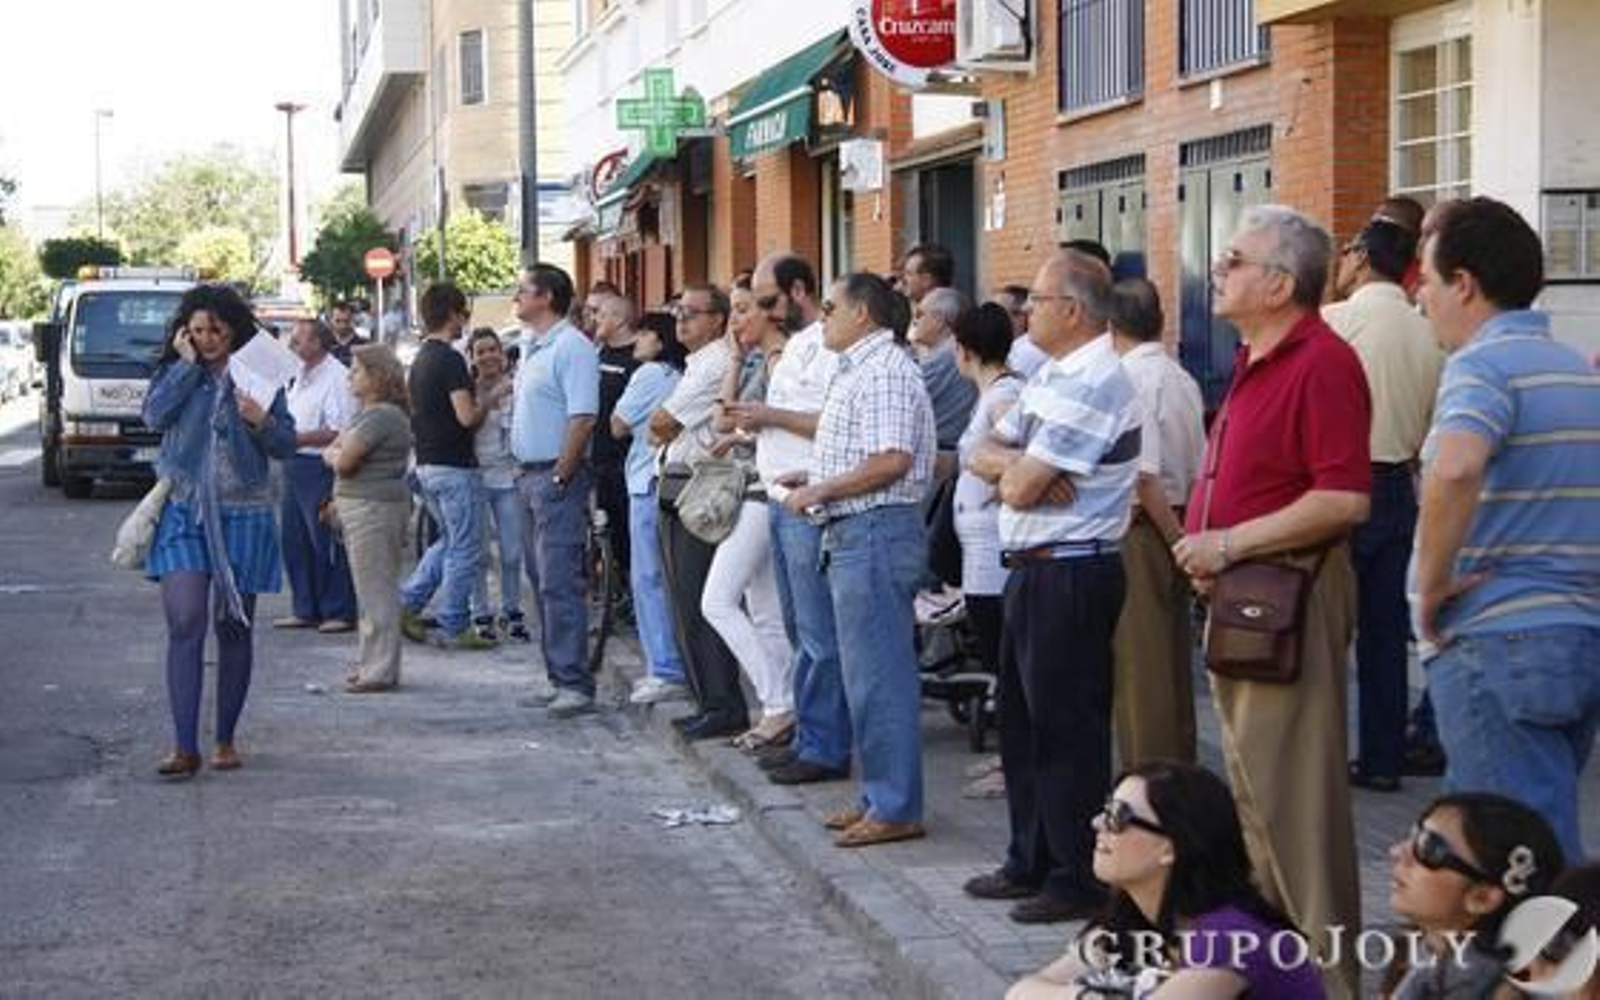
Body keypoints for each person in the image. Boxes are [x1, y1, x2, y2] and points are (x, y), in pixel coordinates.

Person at [1172, 206, 1372, 998]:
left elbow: (1344, 498)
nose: (1219, 270)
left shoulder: (1320, 361)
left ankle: (1329, 981)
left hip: (1286, 596)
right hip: (1250, 598)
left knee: (1295, 814)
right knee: (1259, 805)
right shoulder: (1260, 357)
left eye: (1234, 259)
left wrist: (1229, 544)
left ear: (1281, 282)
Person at [1411, 197, 1600, 865]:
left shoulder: (1482, 367)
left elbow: (1457, 466)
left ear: (1463, 284)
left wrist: (1430, 585)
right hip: (1577, 634)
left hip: (1496, 637)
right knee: (1527, 835)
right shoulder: (1577, 370)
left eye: (1427, 283)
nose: (1421, 301)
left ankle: (1555, 966)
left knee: (1517, 859)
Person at [964, 249, 1139, 924]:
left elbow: (1018, 482)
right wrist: (1017, 465)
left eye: (1034, 301)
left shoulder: (1096, 380)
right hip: (1032, 565)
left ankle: (1075, 875)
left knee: (1067, 731)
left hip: (1071, 565)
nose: (1023, 312)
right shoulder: (1048, 376)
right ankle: (1029, 857)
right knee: (1023, 726)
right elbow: (984, 452)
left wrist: (1017, 469)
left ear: (1071, 309)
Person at [782, 272, 936, 848]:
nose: (821, 317)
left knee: (880, 677)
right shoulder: (861, 368)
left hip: (874, 532)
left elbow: (891, 460)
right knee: (863, 675)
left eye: (829, 307)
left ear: (863, 314)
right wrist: (817, 476)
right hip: (856, 530)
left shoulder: (887, 371)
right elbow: (868, 455)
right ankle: (880, 796)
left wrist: (822, 491)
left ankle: (896, 804)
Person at [142, 284, 298, 778]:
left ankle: (225, 738)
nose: (208, 340)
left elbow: (286, 443)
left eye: (217, 330)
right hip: (186, 510)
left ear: (234, 328)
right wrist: (187, 367)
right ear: (185, 333)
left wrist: (260, 422)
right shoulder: (176, 372)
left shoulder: (262, 372)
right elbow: (153, 416)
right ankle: (184, 746)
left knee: (233, 626)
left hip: (246, 513)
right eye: (198, 331)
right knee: (186, 620)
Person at [1008, 762, 1326, 999]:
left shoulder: (1230, 935)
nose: (1097, 824)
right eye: (1104, 810)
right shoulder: (1129, 920)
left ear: (1170, 847)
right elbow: (1021, 992)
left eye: (1117, 816)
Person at [1323, 218, 1443, 793]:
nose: (1340, 262)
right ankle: (1383, 759)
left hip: (1338, 487)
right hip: (1399, 482)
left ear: (1364, 257)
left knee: (1323, 629)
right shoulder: (1429, 334)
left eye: (1346, 251)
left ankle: (1318, 755)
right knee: (1383, 633)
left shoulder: (1334, 322)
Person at [727, 253, 850, 787]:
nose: (761, 312)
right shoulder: (792, 350)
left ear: (799, 293)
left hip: (809, 500)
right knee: (799, 629)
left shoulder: (826, 348)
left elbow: (833, 422)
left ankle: (825, 745)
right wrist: (758, 428)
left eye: (768, 301)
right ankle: (810, 734)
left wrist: (769, 417)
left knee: (818, 633)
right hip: (780, 497)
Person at [1109, 278, 1205, 768]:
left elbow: (1143, 479)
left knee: (1140, 670)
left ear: (1110, 325)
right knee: (1170, 665)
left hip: (1148, 527)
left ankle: (1148, 780)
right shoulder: (1179, 376)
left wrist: (1175, 541)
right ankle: (1178, 767)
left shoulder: (1127, 380)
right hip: (1181, 517)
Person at [649, 285, 750, 740]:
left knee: (698, 599)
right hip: (681, 484)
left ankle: (722, 702)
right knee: (684, 602)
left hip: (701, 489)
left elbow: (661, 423)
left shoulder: (712, 363)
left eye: (692, 313)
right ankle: (708, 699)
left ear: (717, 319)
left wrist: (661, 426)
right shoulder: (698, 363)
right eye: (677, 312)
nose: (681, 321)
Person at [703, 286, 796, 751]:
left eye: (742, 311)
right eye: (732, 312)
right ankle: (783, 706)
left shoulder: (783, 362)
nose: (734, 322)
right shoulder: (757, 362)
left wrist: (741, 434)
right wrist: (737, 360)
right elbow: (722, 420)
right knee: (765, 611)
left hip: (765, 491)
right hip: (755, 491)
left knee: (716, 601)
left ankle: (778, 702)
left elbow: (755, 423)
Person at [509, 264, 601, 718]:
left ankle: (574, 682)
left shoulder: (571, 347)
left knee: (560, 581)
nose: (516, 297)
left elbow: (582, 417)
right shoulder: (534, 347)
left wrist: (563, 475)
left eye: (522, 290)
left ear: (546, 297)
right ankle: (557, 674)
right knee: (541, 580)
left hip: (553, 477)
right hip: (528, 476)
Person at [1384, 792, 1564, 999]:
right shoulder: (1426, 949)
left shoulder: (1482, 985)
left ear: (1483, 898)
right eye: (1414, 834)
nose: (1396, 851)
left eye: (1429, 848)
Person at [399, 282, 495, 651]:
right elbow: (466, 416)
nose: (465, 322)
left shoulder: (422, 358)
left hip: (426, 464)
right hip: (455, 467)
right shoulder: (451, 359)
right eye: (464, 314)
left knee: (449, 541)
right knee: (466, 547)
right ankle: (455, 623)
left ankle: (407, 603)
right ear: (453, 314)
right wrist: (489, 397)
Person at [325, 344, 414, 692]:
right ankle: (371, 662)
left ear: (377, 376)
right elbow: (338, 448)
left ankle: (379, 670)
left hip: (373, 509)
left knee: (376, 592)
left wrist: (334, 456)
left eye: (357, 370)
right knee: (369, 590)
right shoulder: (370, 414)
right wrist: (337, 452)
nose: (350, 376)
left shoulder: (382, 416)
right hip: (364, 507)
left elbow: (344, 459)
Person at [611, 317, 690, 706]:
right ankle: (672, 664)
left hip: (645, 480)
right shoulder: (681, 372)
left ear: (659, 341)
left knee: (648, 579)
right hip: (671, 480)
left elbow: (617, 425)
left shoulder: (649, 374)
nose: (636, 340)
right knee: (666, 577)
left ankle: (665, 668)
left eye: (643, 333)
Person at [275, 318, 359, 635]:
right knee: (295, 541)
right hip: (294, 462)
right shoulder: (299, 374)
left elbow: (340, 429)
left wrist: (298, 438)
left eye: (298, 341)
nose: (292, 347)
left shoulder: (336, 376)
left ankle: (338, 609)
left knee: (326, 539)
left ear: (318, 343)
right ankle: (305, 607)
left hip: (319, 465)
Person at [465, 328, 526, 643]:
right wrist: (490, 398)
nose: (488, 356)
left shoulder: (519, 387)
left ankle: (512, 609)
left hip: (510, 477)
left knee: (512, 552)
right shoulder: (468, 391)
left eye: (493, 350)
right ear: (472, 359)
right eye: (481, 352)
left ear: (502, 354)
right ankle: (480, 612)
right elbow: (467, 425)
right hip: (477, 477)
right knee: (477, 552)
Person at [591, 293, 642, 599]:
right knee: (606, 528)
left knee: (629, 536)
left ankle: (635, 598)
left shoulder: (640, 358)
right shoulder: (597, 354)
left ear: (619, 319)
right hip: (598, 460)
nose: (594, 319)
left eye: (601, 314)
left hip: (627, 462)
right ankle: (616, 589)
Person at [911, 287, 979, 460]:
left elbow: (903, 395)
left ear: (939, 320)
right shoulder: (947, 352)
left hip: (943, 457)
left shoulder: (949, 355)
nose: (914, 320)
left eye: (920, 314)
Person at [327, 301, 368, 367]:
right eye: (338, 321)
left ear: (353, 320)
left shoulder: (363, 347)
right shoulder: (324, 346)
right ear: (331, 320)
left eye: (346, 321)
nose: (342, 325)